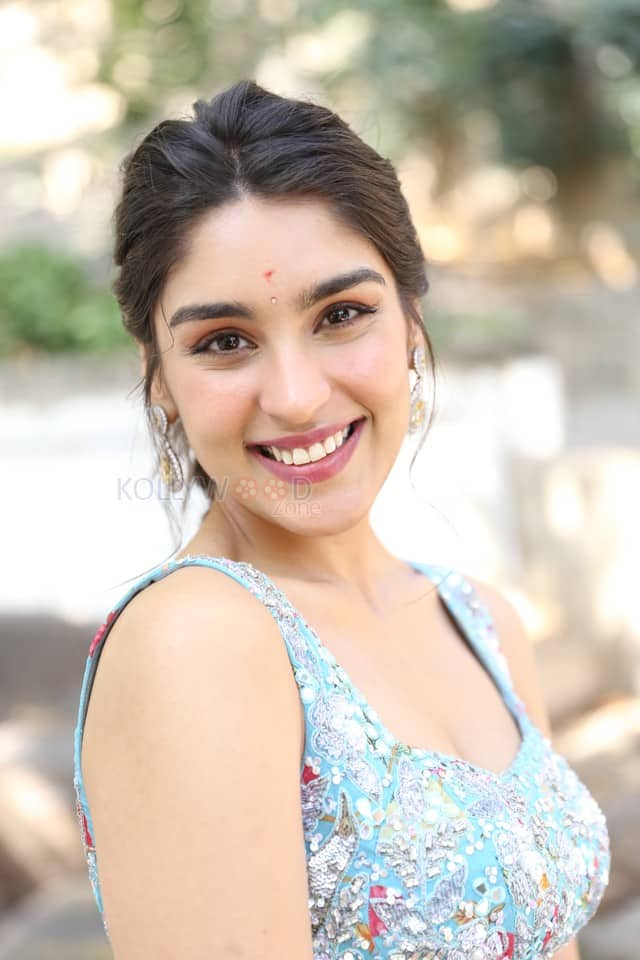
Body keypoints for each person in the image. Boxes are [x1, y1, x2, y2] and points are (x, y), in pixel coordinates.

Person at [72, 80, 610, 959]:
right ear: (159, 377)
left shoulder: (481, 621)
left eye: (342, 315)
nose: (295, 395)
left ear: (410, 323)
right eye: (224, 341)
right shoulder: (198, 642)